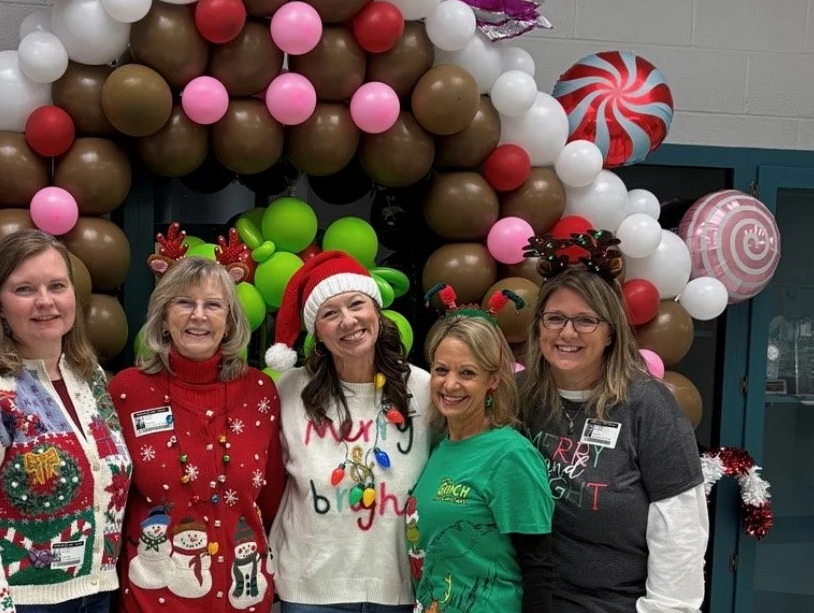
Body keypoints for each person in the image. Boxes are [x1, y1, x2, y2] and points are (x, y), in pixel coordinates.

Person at [0, 229, 131, 613]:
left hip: (96, 593)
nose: (45, 302)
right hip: (19, 602)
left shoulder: (89, 377)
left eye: (57, 285)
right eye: (24, 289)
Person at [519, 230, 707, 612]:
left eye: (586, 321)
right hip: (525, 600)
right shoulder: (520, 394)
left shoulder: (646, 404)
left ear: (610, 333)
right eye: (555, 318)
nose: (567, 332)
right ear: (538, 326)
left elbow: (680, 530)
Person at [108, 255, 285, 612]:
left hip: (243, 596)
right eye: (184, 302)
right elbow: (113, 502)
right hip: (154, 598)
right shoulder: (128, 392)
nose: (199, 315)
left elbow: (273, 500)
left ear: (230, 319)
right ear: (163, 315)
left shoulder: (260, 392)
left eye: (213, 304)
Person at [264, 251, 435, 613]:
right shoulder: (289, 391)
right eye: (330, 314)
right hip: (310, 590)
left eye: (356, 304)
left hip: (399, 589)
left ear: (376, 311)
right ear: (317, 333)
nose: (348, 321)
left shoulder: (425, 389)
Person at [407, 288, 554, 613]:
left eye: (468, 373)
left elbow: (538, 569)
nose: (450, 384)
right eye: (441, 369)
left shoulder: (511, 456)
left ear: (494, 380)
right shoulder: (439, 449)